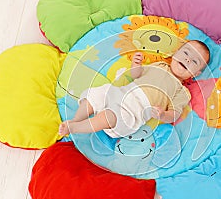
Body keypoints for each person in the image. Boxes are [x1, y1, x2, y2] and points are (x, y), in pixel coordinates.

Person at [58, 40, 210, 138]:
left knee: (108, 116)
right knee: (97, 94)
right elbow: (136, 75)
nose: (187, 59)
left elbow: (175, 114)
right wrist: (135, 65)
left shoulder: (182, 91)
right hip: (122, 92)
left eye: (194, 61)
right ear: (175, 53)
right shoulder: (159, 66)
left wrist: (163, 115)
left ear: (195, 74)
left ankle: (75, 128)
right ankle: (75, 120)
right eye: (185, 53)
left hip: (134, 110)